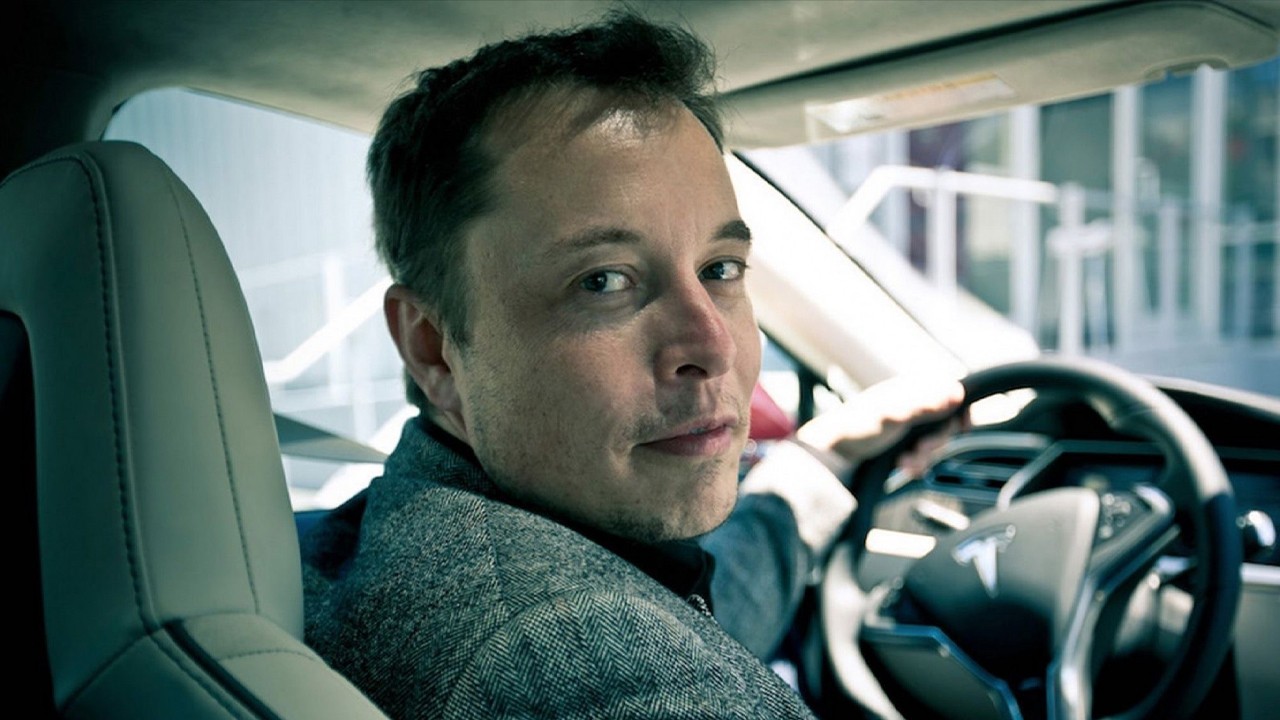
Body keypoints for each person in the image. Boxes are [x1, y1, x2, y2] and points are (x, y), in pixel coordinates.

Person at [301, 10, 962, 719]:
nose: (714, 346)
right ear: (433, 347)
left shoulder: (398, 542)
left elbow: (709, 609)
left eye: (720, 268)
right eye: (603, 281)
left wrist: (823, 460)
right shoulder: (585, 663)